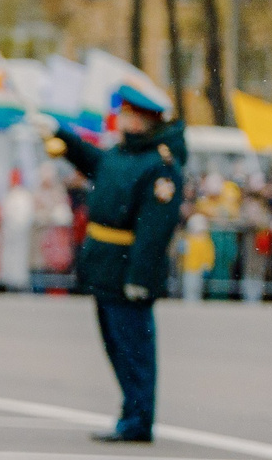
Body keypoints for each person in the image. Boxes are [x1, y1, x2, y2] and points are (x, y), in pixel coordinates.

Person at [35, 86, 185, 441]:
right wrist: (60, 136)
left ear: (146, 121)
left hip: (128, 268)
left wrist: (140, 276)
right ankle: (131, 413)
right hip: (105, 264)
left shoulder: (159, 167)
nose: (124, 119)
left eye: (131, 114)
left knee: (134, 349)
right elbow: (95, 163)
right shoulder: (125, 153)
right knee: (117, 346)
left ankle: (138, 419)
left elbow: (154, 229)